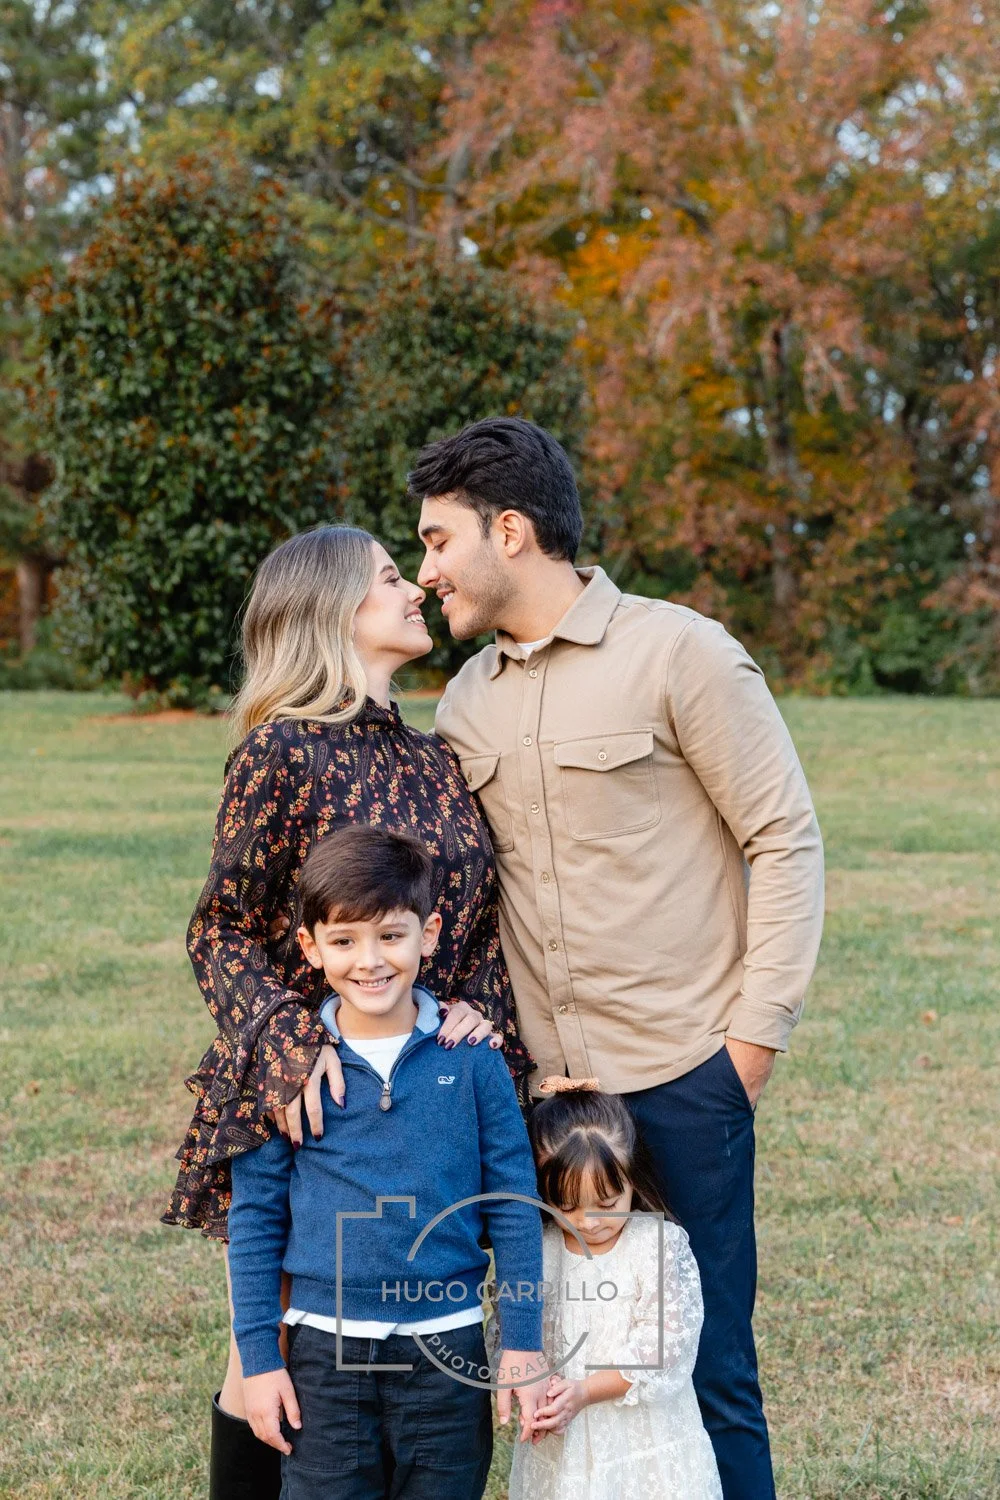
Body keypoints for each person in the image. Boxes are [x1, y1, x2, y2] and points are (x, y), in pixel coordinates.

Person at [411, 417, 826, 1499]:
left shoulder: (679, 652)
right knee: (559, 1373)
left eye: (438, 539)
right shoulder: (465, 701)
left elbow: (783, 837)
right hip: (544, 1100)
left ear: (510, 530)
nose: (426, 570)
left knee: (706, 1370)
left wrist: (747, 1047)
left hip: (686, 1075)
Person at [162, 525, 532, 1500]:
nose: (412, 587)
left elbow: (472, 922)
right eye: (384, 578)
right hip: (310, 1097)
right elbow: (221, 930)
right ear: (332, 611)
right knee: (270, 1360)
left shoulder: (434, 755)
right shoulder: (280, 754)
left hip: (423, 1085)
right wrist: (285, 1048)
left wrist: (477, 1014)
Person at [228, 824, 546, 1499]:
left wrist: (523, 1341)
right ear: (311, 947)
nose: (369, 961)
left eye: (390, 936)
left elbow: (514, 1207)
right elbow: (254, 1220)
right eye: (344, 941)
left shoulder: (474, 1063)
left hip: (447, 1351)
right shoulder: (289, 1069)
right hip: (323, 1355)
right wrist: (260, 1360)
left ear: (428, 934)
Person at [509, 1079, 722, 1500]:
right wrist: (536, 1391)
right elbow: (515, 1332)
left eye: (606, 1204)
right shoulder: (538, 1251)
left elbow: (665, 1346)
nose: (587, 1222)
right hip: (563, 1436)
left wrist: (585, 1391)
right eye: (566, 1206)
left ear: (631, 1177)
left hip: (644, 1438)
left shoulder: (656, 1245)